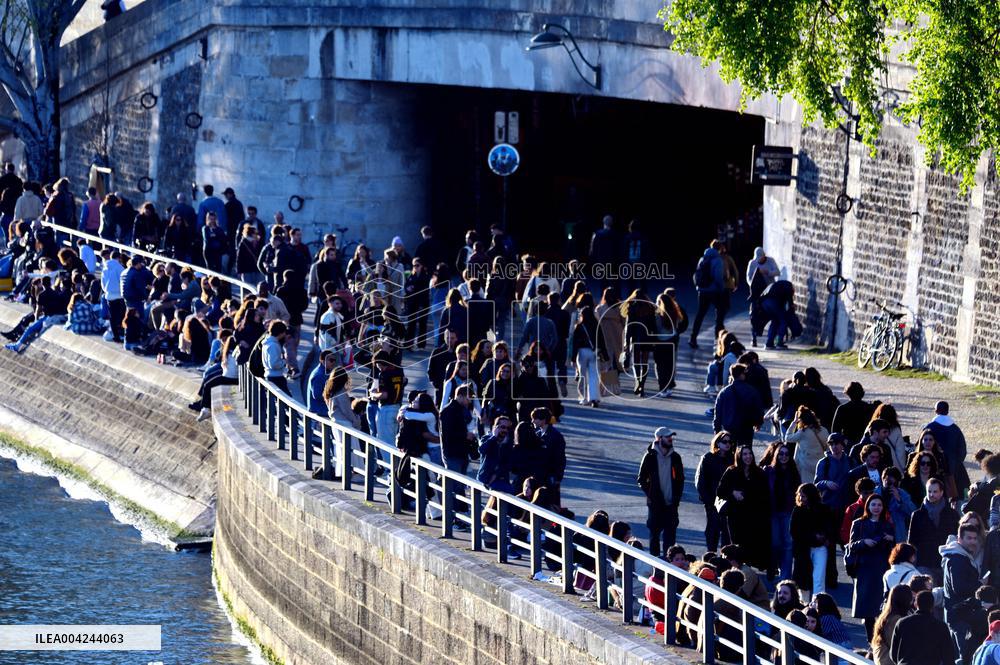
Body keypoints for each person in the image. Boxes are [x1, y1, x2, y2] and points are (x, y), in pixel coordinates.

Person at [848, 493, 894, 642]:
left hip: (882, 567)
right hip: (865, 568)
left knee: (881, 604)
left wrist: (891, 540)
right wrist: (864, 542)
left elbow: (894, 550)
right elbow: (851, 546)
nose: (876, 508)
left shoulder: (887, 525)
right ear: (868, 506)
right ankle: (870, 639)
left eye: (879, 505)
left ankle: (880, 638)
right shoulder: (858, 523)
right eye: (873, 504)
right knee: (867, 606)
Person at [716, 445, 771, 570]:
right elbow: (720, 491)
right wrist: (733, 493)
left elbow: (765, 495)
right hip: (736, 517)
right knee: (738, 546)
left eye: (749, 454)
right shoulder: (732, 471)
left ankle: (750, 573)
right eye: (744, 454)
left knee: (752, 546)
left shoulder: (759, 473)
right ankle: (737, 571)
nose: (748, 457)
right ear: (739, 456)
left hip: (754, 516)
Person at [942, 523, 987, 663]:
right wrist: (980, 584)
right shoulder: (957, 559)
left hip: (959, 615)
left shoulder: (960, 557)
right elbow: (959, 588)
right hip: (960, 617)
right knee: (965, 658)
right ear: (959, 539)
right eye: (969, 538)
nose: (973, 541)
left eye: (975, 538)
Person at [636, 427, 684, 557]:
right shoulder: (650, 457)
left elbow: (680, 480)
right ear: (659, 439)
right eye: (667, 437)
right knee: (654, 537)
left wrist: (677, 498)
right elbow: (641, 479)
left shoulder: (675, 457)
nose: (670, 439)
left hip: (671, 504)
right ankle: (655, 567)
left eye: (671, 437)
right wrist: (651, 494)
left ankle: (669, 566)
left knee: (670, 539)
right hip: (656, 504)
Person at [909, 478, 961, 578]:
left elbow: (958, 537)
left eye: (935, 491)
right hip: (924, 562)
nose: (931, 494)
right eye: (929, 491)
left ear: (941, 492)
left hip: (946, 560)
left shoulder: (952, 514)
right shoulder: (917, 515)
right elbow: (912, 541)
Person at [890, 590, 956, 665]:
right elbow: (948, 656)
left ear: (915, 604)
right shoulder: (941, 626)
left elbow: (893, 654)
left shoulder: (901, 623)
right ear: (933, 605)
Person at [791, 483, 832, 601]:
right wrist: (814, 537)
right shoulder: (797, 510)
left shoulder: (823, 509)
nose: (800, 498)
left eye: (803, 496)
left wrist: (824, 537)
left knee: (818, 578)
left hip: (820, 547)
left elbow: (829, 527)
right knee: (803, 580)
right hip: (803, 549)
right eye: (799, 495)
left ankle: (818, 606)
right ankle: (804, 605)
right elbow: (794, 531)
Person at [765, 443, 801, 580]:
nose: (784, 456)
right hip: (772, 512)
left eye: (786, 454)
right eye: (781, 454)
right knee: (775, 543)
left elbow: (798, 492)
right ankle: (772, 565)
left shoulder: (793, 472)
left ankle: (785, 578)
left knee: (787, 544)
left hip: (788, 512)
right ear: (776, 455)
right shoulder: (769, 471)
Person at [924, 401, 971, 500]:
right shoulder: (955, 429)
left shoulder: (930, 427)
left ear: (936, 411)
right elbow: (962, 450)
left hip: (934, 469)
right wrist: (956, 463)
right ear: (948, 411)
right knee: (958, 498)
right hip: (955, 471)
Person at [696, 431, 734, 551]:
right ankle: (710, 559)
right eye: (724, 441)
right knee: (712, 532)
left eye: (730, 442)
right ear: (717, 443)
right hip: (712, 502)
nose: (728, 444)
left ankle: (726, 560)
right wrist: (708, 500)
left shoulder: (732, 459)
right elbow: (700, 481)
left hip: (729, 502)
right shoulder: (708, 458)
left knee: (727, 535)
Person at [712, 363, 763, 446]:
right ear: (742, 374)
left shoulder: (724, 392)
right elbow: (758, 408)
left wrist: (717, 430)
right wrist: (758, 423)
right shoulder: (751, 390)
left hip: (729, 428)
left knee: (729, 453)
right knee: (744, 453)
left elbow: (717, 413)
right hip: (746, 428)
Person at [689, 239, 727, 348]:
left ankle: (693, 338)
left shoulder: (703, 258)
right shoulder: (718, 260)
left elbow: (696, 274)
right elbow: (718, 277)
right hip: (714, 291)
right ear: (719, 248)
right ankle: (719, 339)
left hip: (702, 291)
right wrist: (722, 288)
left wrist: (698, 287)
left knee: (700, 314)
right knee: (720, 313)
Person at [571, 305, 606, 407]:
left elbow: (575, 344)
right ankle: (594, 398)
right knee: (594, 376)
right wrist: (605, 355)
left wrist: (573, 358)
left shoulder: (579, 326)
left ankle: (584, 398)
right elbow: (601, 340)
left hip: (582, 352)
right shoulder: (597, 325)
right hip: (594, 351)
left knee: (583, 376)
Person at [745, 247, 779, 346]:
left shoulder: (771, 261)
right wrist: (753, 284)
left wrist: (767, 272)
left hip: (769, 291)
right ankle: (754, 337)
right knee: (754, 315)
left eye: (761, 257)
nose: (759, 260)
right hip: (757, 293)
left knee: (772, 313)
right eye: (758, 258)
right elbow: (748, 277)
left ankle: (772, 338)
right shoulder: (752, 263)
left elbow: (777, 272)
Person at [872, 584, 914, 665]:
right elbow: (899, 645)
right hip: (888, 661)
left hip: (883, 658)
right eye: (910, 597)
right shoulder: (895, 620)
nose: (912, 600)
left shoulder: (887, 615)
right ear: (905, 600)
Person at [440, 385, 476, 475]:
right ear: (459, 396)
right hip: (452, 453)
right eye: (468, 399)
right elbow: (447, 433)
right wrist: (465, 435)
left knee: (460, 485)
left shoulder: (462, 410)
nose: (470, 401)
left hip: (462, 452)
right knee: (455, 486)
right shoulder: (447, 411)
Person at [786, 406, 829, 480]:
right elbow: (828, 447)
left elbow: (787, 437)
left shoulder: (803, 432)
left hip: (806, 466)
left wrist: (794, 422)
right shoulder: (824, 430)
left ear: (801, 420)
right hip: (821, 465)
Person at [721, 544, 769, 608]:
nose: (724, 561)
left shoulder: (747, 573)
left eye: (725, 558)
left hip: (759, 608)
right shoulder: (734, 568)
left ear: (733, 559)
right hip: (748, 607)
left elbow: (742, 596)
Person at [882, 466, 917, 543]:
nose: (891, 486)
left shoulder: (903, 494)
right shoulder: (875, 494)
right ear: (883, 480)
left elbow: (913, 512)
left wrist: (899, 500)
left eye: (895, 484)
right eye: (889, 483)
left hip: (898, 533)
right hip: (880, 531)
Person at [306, 350, 337, 418]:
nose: (333, 362)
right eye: (331, 360)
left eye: (334, 360)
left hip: (321, 410)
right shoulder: (319, 375)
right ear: (323, 361)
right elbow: (317, 395)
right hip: (319, 413)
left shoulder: (324, 372)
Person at [261, 320, 290, 394]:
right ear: (280, 333)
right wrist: (284, 361)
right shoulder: (273, 345)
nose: (285, 334)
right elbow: (273, 364)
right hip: (276, 377)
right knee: (287, 400)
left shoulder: (267, 343)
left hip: (270, 376)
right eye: (284, 332)